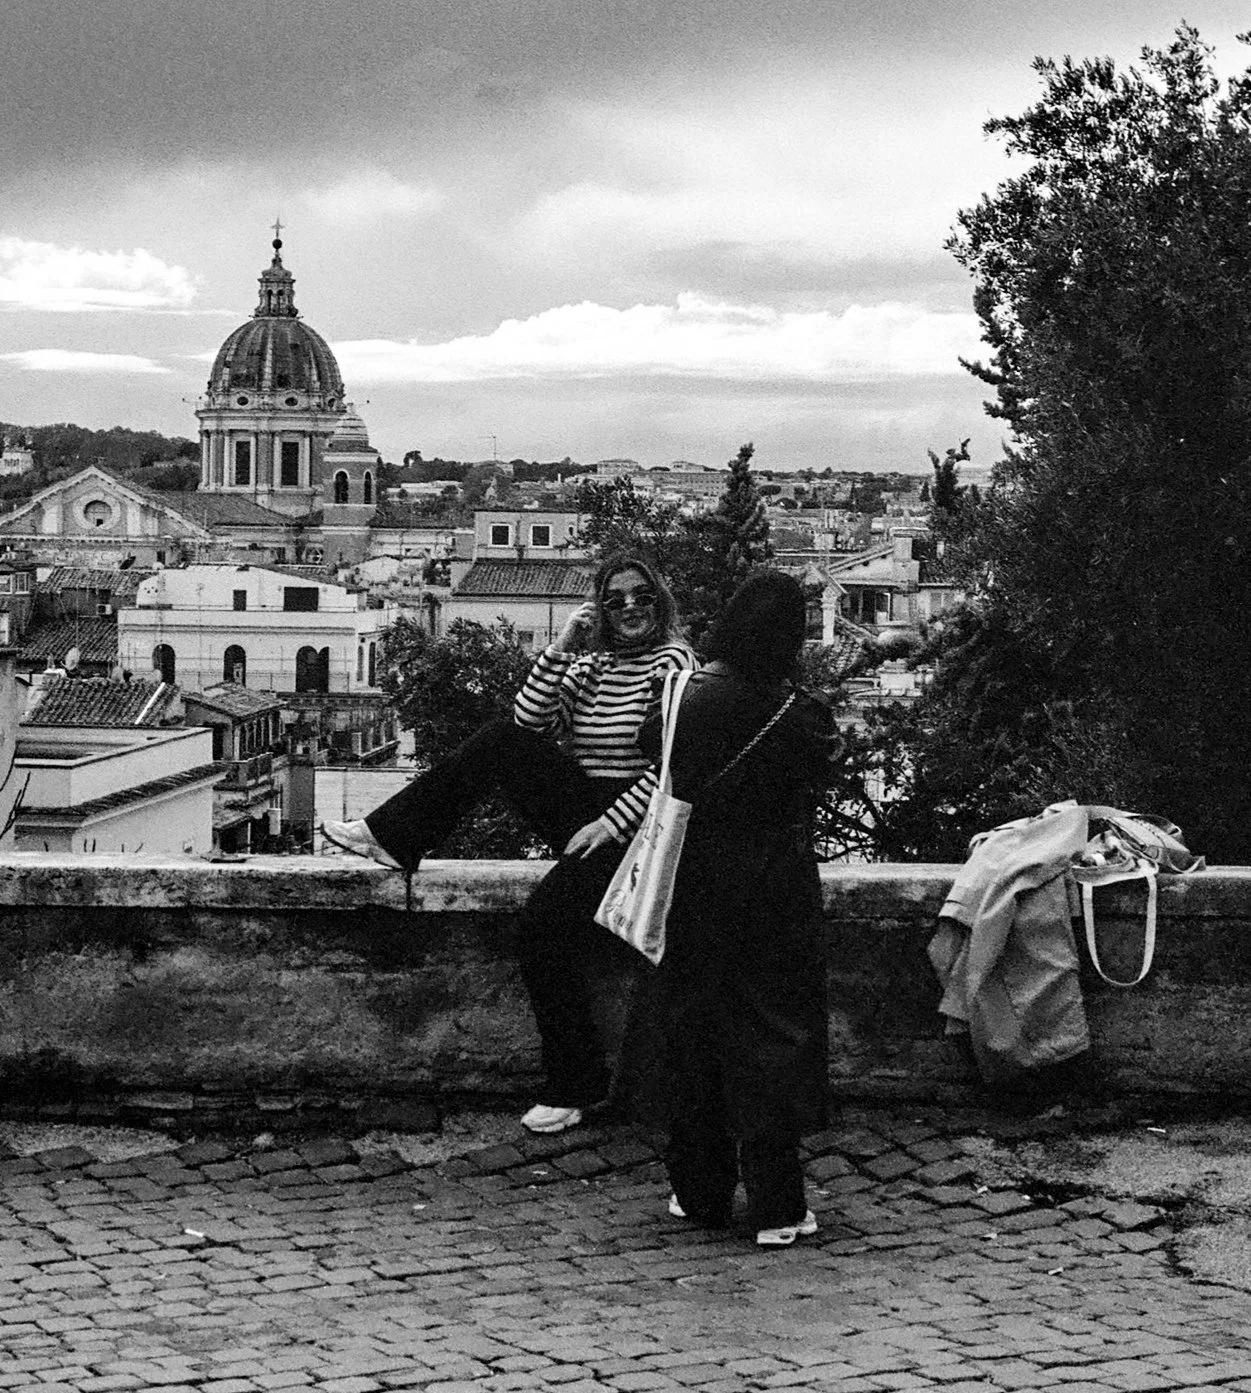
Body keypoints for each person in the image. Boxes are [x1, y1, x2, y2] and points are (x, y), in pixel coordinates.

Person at [322, 553, 696, 1134]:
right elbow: (528, 723)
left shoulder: (672, 662)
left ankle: (577, 1085)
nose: (629, 608)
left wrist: (612, 824)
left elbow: (673, 764)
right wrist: (560, 649)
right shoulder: (588, 661)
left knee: (543, 933)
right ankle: (394, 838)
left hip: (632, 825)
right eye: (615, 598)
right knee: (500, 739)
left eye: (641, 596)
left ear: (660, 601)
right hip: (582, 807)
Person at [639, 570, 836, 1247]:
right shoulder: (796, 712)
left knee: (692, 1030)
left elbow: (652, 756)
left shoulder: (680, 700)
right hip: (773, 887)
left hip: (691, 881)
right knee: (771, 1040)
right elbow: (821, 764)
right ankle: (777, 1204)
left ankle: (699, 1190)